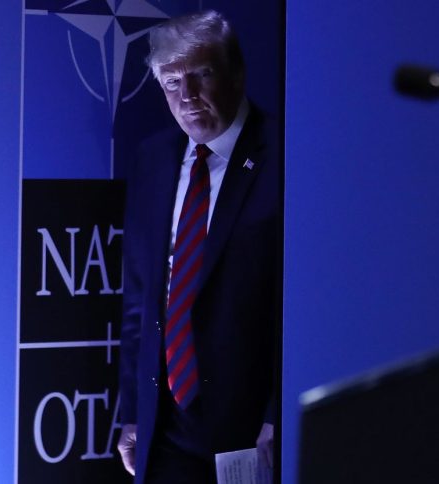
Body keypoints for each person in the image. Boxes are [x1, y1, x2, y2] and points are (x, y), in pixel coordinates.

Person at [117, 10, 279, 484]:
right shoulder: (153, 159)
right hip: (165, 429)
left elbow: (303, 305)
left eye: (200, 75)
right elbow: (140, 298)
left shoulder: (285, 156)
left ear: (236, 72)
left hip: (248, 430)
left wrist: (277, 411)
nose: (186, 97)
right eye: (171, 82)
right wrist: (132, 410)